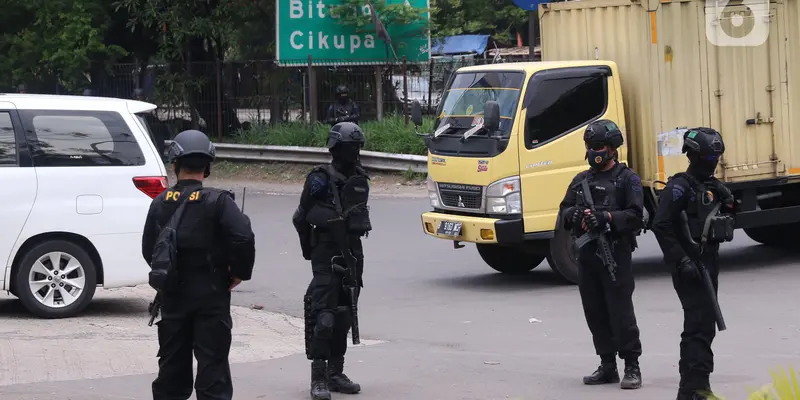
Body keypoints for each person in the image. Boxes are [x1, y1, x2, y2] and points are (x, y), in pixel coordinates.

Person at [142, 129, 256, 400]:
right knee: (212, 365)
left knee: (172, 366)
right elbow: (243, 237)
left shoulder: (160, 202)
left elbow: (150, 249)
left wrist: (168, 272)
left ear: (174, 165)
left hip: (172, 295)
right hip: (211, 293)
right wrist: (238, 273)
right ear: (207, 167)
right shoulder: (219, 202)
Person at [557, 119, 644, 390]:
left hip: (615, 255)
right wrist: (577, 216)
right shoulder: (581, 180)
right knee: (594, 311)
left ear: (612, 148)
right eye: (590, 146)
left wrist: (606, 217)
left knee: (621, 312)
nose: (594, 151)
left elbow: (636, 216)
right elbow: (563, 212)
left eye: (598, 146)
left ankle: (632, 366)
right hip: (587, 256)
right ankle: (607, 365)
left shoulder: (627, 179)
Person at [651, 127, 733, 400]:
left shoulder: (711, 186)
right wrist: (682, 259)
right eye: (709, 156)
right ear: (694, 155)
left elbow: (728, 215)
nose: (713, 162)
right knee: (698, 325)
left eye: (716, 157)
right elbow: (661, 225)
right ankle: (694, 389)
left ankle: (694, 387)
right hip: (689, 265)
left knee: (704, 325)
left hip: (709, 260)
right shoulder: (678, 187)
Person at [292, 121, 371, 400]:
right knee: (324, 315)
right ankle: (319, 377)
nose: (354, 153)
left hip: (352, 251)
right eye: (349, 147)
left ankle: (337, 373)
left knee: (345, 313)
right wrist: (308, 248)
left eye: (357, 147)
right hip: (325, 251)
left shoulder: (360, 178)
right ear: (335, 148)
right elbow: (300, 217)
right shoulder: (319, 178)